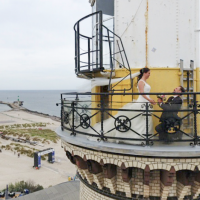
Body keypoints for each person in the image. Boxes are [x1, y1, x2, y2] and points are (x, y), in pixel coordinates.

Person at [88, 68, 155, 145]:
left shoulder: (144, 82)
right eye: (148, 73)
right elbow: (142, 93)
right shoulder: (141, 82)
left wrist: (150, 100)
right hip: (141, 103)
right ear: (144, 73)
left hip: (145, 103)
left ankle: (143, 137)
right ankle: (137, 137)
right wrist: (150, 100)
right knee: (137, 120)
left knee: (142, 120)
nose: (149, 75)